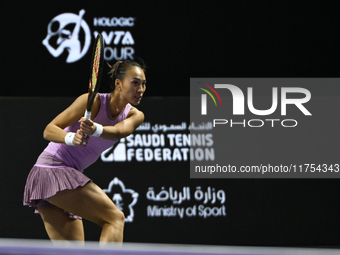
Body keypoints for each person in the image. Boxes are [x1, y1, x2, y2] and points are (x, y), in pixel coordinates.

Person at [23, 59, 147, 243]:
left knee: (75, 251)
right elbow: (49, 130)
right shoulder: (92, 101)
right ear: (118, 83)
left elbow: (119, 132)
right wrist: (71, 138)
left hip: (58, 177)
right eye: (135, 82)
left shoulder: (135, 115)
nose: (140, 89)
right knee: (114, 218)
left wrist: (95, 129)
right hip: (52, 169)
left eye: (144, 84)